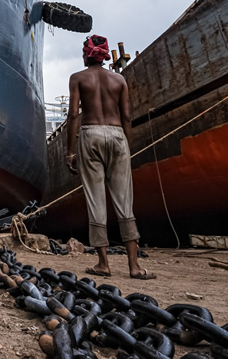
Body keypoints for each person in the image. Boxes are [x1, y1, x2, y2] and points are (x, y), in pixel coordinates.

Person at [61, 34, 154, 279]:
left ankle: (103, 264)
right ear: (103, 55)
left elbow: (73, 116)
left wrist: (70, 151)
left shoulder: (78, 78)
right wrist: (127, 146)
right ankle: (134, 267)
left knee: (96, 200)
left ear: (87, 54)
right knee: (125, 201)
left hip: (90, 133)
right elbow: (127, 117)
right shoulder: (119, 79)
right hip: (117, 135)